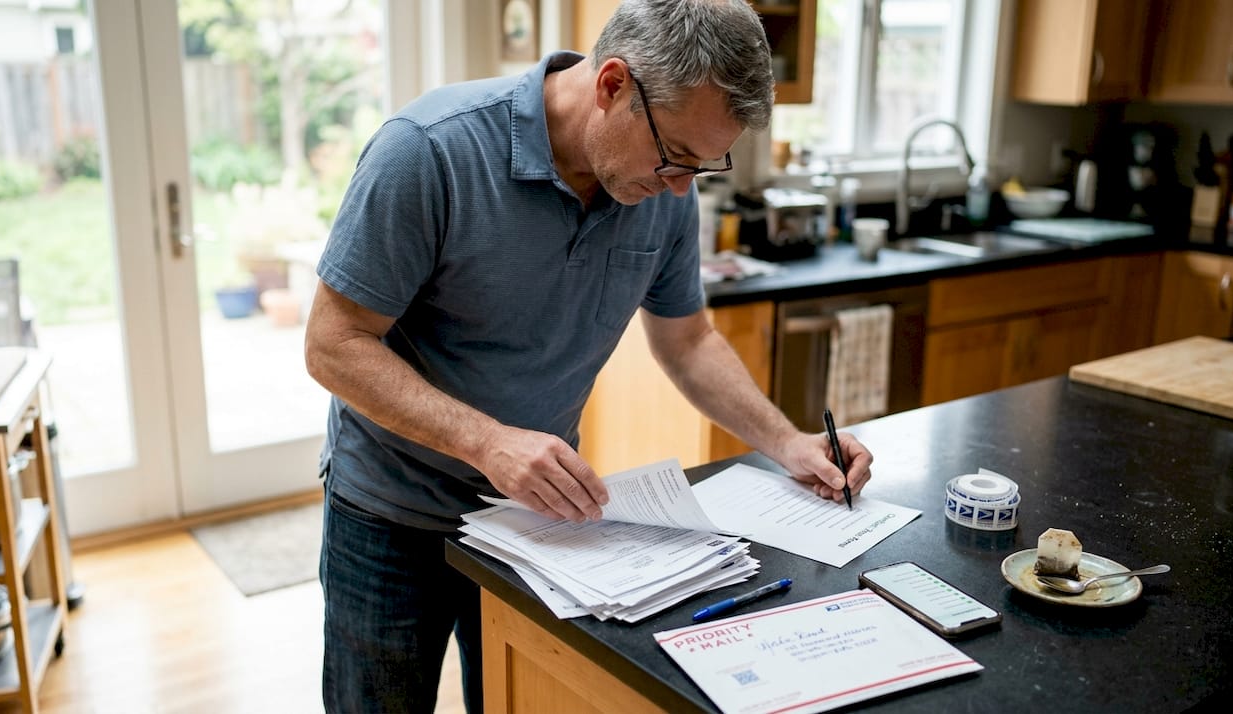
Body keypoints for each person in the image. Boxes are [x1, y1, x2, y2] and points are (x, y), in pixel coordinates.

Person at [304, 1, 874, 711]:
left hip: (537, 524)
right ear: (611, 85)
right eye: (675, 158)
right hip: (392, 511)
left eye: (705, 164)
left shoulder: (660, 189)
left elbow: (688, 340)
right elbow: (333, 344)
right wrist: (489, 442)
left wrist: (786, 442)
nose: (681, 186)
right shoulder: (428, 149)